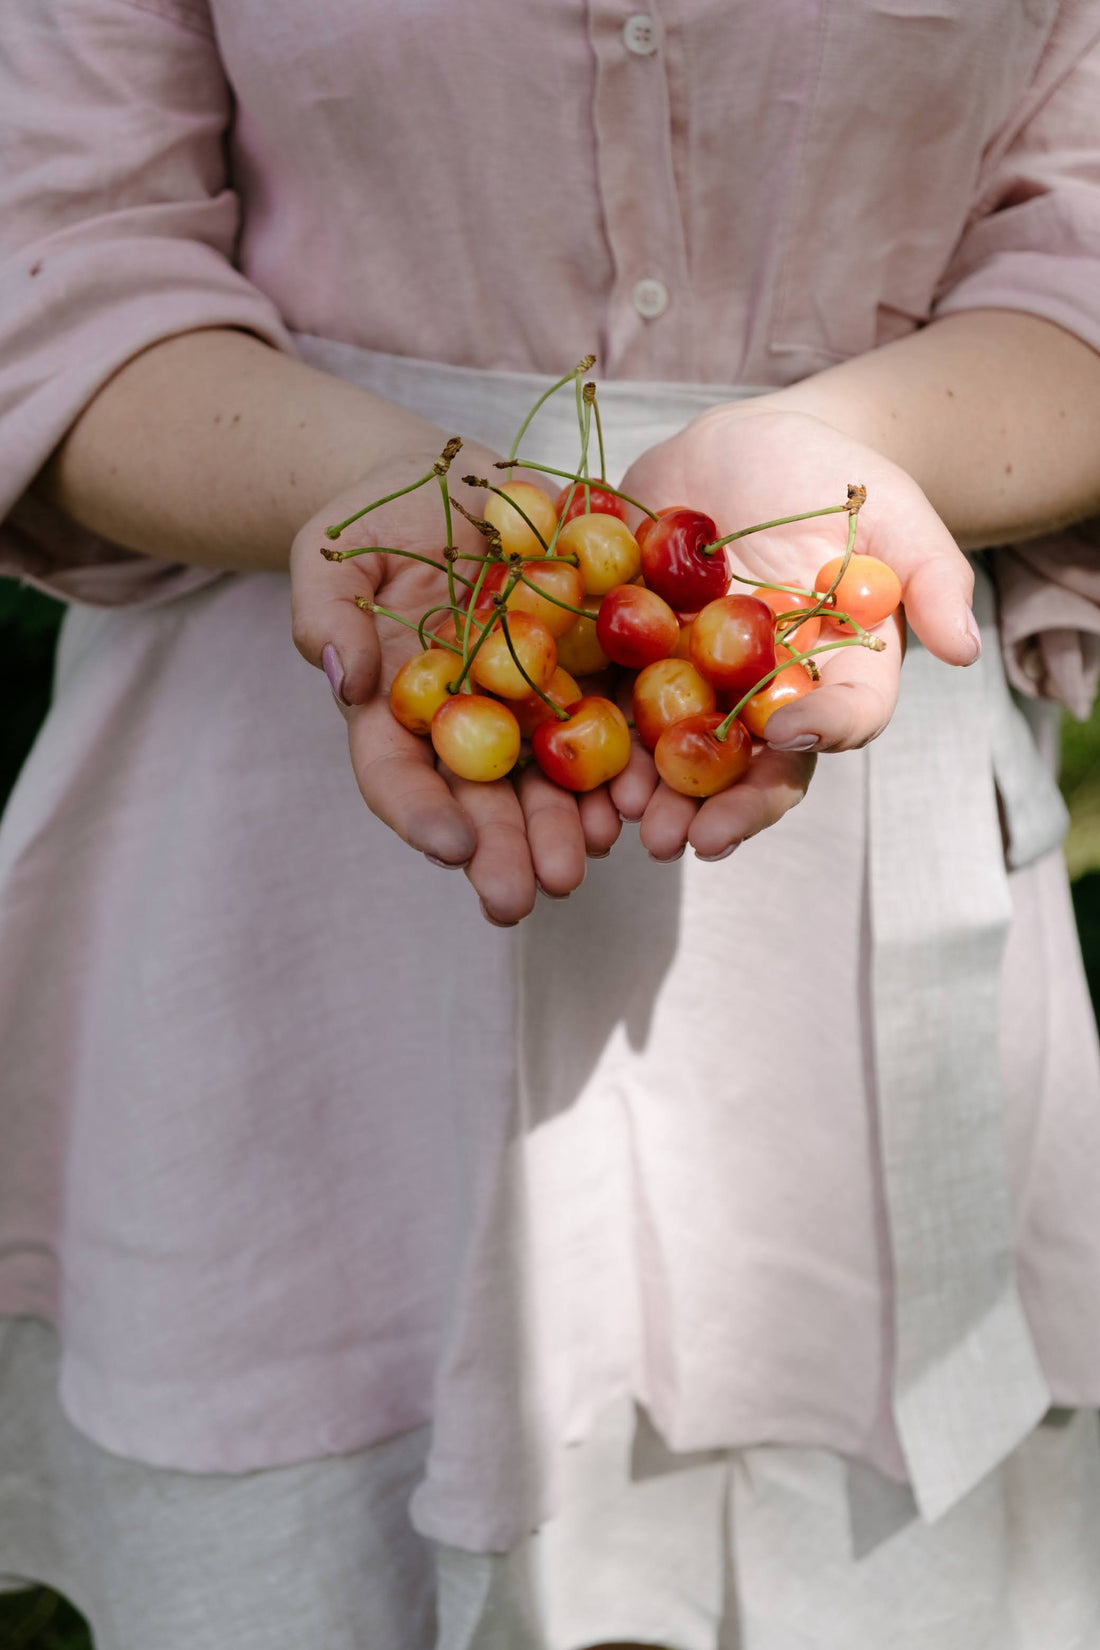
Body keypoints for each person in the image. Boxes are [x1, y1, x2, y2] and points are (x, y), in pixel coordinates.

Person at [2, 2, 1100, 1647]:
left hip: (824, 854)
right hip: (277, 855)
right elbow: (58, 268)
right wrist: (382, 487)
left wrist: (840, 461)